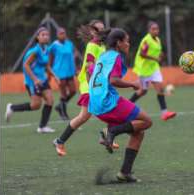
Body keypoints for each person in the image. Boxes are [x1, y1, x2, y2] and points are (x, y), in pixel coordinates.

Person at [90, 28, 152, 183]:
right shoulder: (116, 57)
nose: (128, 44)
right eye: (127, 40)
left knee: (139, 132)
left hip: (96, 102)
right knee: (147, 121)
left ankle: (125, 173)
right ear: (118, 43)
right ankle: (110, 131)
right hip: (107, 101)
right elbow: (114, 80)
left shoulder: (104, 56)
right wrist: (133, 84)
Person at [53, 20, 119, 157]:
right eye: (98, 29)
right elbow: (90, 68)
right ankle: (106, 135)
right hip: (89, 84)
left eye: (103, 29)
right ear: (92, 31)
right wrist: (93, 87)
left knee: (92, 113)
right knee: (91, 114)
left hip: (96, 84)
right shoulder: (92, 46)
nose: (102, 31)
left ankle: (106, 135)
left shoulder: (102, 46)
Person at [5, 27, 56, 133]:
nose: (45, 36)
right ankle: (12, 107)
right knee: (36, 105)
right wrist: (35, 79)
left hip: (43, 79)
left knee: (50, 100)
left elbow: (47, 66)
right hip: (32, 81)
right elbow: (26, 65)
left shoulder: (47, 48)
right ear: (37, 37)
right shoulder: (35, 50)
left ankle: (42, 127)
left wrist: (55, 76)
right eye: (43, 35)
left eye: (47, 34)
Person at [129, 21, 176, 121]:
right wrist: (155, 58)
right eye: (153, 29)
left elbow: (157, 52)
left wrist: (160, 55)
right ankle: (127, 105)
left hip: (154, 68)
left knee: (160, 88)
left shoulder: (158, 40)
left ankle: (165, 113)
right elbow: (142, 53)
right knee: (143, 91)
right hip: (144, 69)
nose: (156, 31)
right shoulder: (146, 40)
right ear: (149, 30)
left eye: (157, 29)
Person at [48, 27, 77, 120]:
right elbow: (50, 58)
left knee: (73, 91)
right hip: (59, 71)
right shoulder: (54, 45)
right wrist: (50, 71)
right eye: (60, 33)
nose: (63, 35)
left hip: (69, 70)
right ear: (57, 35)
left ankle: (59, 106)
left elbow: (73, 54)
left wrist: (75, 66)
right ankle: (63, 113)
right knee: (63, 93)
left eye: (64, 33)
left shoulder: (69, 44)